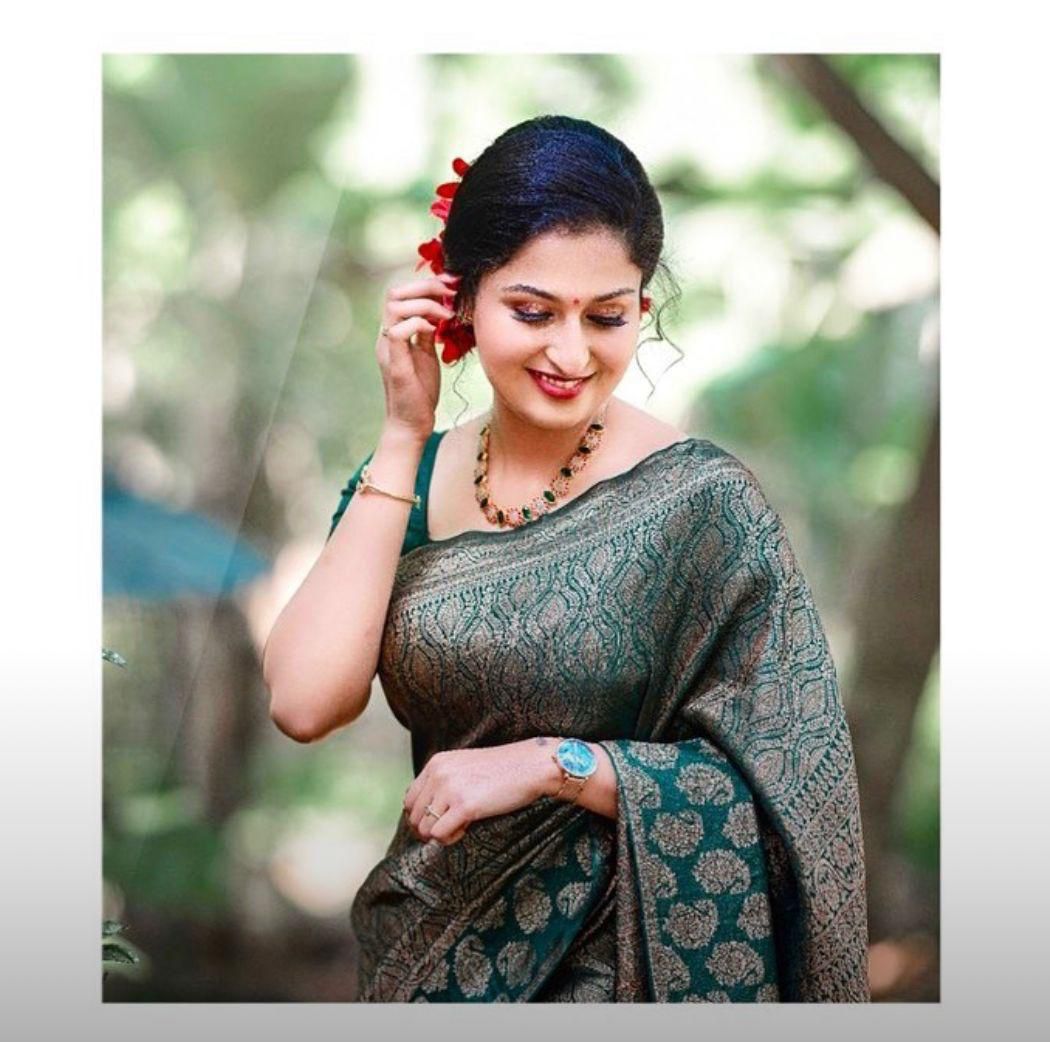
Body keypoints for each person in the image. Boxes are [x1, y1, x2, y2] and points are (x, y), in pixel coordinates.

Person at [262, 115, 870, 1002]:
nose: (572, 352)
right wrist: (401, 434)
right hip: (430, 957)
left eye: (607, 316)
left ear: (641, 312)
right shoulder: (406, 481)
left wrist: (553, 765)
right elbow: (304, 702)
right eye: (533, 311)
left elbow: (795, 789)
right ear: (459, 300)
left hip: (628, 971)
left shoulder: (701, 504)